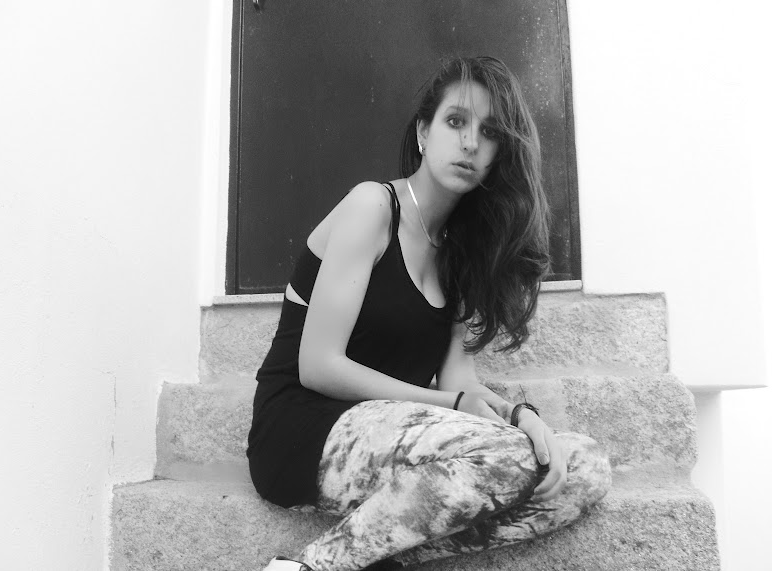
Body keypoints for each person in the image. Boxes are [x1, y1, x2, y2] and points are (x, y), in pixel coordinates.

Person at [247, 56, 611, 571]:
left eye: (489, 132)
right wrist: (453, 404)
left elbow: (460, 381)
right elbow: (318, 365)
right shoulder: (372, 207)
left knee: (583, 466)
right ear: (423, 132)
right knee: (506, 457)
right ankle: (314, 567)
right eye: (455, 121)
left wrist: (518, 415)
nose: (470, 143)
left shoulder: (462, 253)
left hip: (397, 435)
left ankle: (371, 555)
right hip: (303, 430)